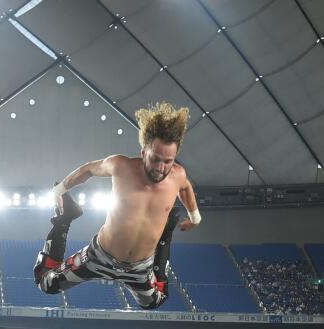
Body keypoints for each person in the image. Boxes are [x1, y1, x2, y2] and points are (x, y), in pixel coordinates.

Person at [34, 101, 201, 309]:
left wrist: (195, 217)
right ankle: (65, 219)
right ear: (143, 153)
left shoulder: (178, 175)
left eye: (168, 161)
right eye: (156, 159)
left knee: (155, 301)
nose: (161, 168)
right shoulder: (121, 166)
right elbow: (88, 169)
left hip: (140, 268)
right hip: (99, 258)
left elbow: (185, 188)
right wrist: (58, 191)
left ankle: (166, 233)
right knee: (46, 283)